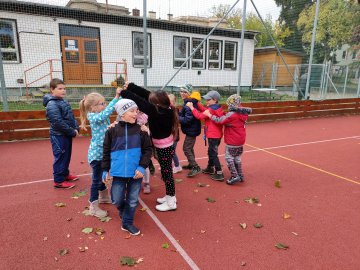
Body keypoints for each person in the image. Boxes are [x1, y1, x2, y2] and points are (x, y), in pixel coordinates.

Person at [119, 83, 179, 212]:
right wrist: (131, 86)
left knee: (166, 173)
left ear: (157, 104)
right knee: (166, 172)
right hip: (164, 145)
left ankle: (171, 202)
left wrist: (124, 92)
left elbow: (141, 102)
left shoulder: (157, 112)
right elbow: (147, 95)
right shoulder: (164, 107)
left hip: (164, 147)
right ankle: (170, 196)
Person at [102, 99, 152, 236]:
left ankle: (127, 222)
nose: (135, 113)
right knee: (116, 199)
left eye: (136, 111)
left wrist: (142, 167)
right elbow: (105, 151)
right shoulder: (111, 131)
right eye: (131, 111)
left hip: (136, 173)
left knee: (133, 200)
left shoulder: (141, 130)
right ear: (122, 113)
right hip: (118, 173)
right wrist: (105, 169)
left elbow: (148, 151)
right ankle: (123, 210)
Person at [79, 89, 121, 218]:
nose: (105, 105)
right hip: (97, 156)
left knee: (102, 177)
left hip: (103, 154)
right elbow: (106, 113)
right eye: (102, 104)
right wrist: (116, 97)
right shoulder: (94, 116)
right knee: (96, 181)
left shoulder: (99, 114)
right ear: (93, 107)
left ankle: (103, 197)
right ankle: (93, 206)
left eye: (104, 103)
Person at [203, 94, 251, 185]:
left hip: (232, 140)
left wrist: (209, 115)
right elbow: (230, 119)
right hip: (240, 140)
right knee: (237, 158)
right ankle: (240, 175)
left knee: (229, 158)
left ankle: (234, 176)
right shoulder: (243, 113)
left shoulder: (232, 114)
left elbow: (219, 120)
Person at [43, 78, 79, 189]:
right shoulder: (52, 104)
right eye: (60, 89)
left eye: (64, 89)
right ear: (52, 90)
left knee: (66, 155)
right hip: (58, 135)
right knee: (60, 156)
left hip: (66, 134)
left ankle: (65, 174)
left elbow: (70, 116)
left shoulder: (62, 101)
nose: (63, 91)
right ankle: (58, 180)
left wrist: (76, 127)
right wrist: (72, 131)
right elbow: (57, 122)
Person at [186, 90, 224, 181]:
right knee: (211, 152)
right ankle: (210, 168)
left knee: (213, 154)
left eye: (208, 100)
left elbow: (199, 116)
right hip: (216, 135)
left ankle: (219, 172)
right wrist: (197, 102)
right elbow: (204, 110)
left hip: (213, 136)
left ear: (214, 100)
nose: (206, 101)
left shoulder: (211, 109)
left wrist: (192, 108)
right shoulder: (216, 107)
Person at [178, 85, 202, 177]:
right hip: (192, 129)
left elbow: (187, 119)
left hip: (192, 130)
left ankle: (195, 167)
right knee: (190, 148)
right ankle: (191, 164)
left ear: (189, 93)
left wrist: (177, 117)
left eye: (185, 92)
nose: (182, 93)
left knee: (186, 148)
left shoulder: (189, 103)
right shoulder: (188, 102)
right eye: (181, 91)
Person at [136, 111, 152, 194]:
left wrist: (147, 131)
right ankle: (133, 183)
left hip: (143, 148)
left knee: (145, 166)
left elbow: (149, 134)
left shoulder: (146, 117)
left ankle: (146, 183)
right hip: (134, 147)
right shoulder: (133, 116)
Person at [167, 93, 182, 174]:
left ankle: (177, 166)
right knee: (168, 151)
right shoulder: (168, 109)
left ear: (174, 102)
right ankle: (168, 166)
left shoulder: (174, 110)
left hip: (174, 135)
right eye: (167, 101)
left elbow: (174, 121)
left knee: (172, 152)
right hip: (169, 135)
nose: (169, 103)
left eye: (171, 101)